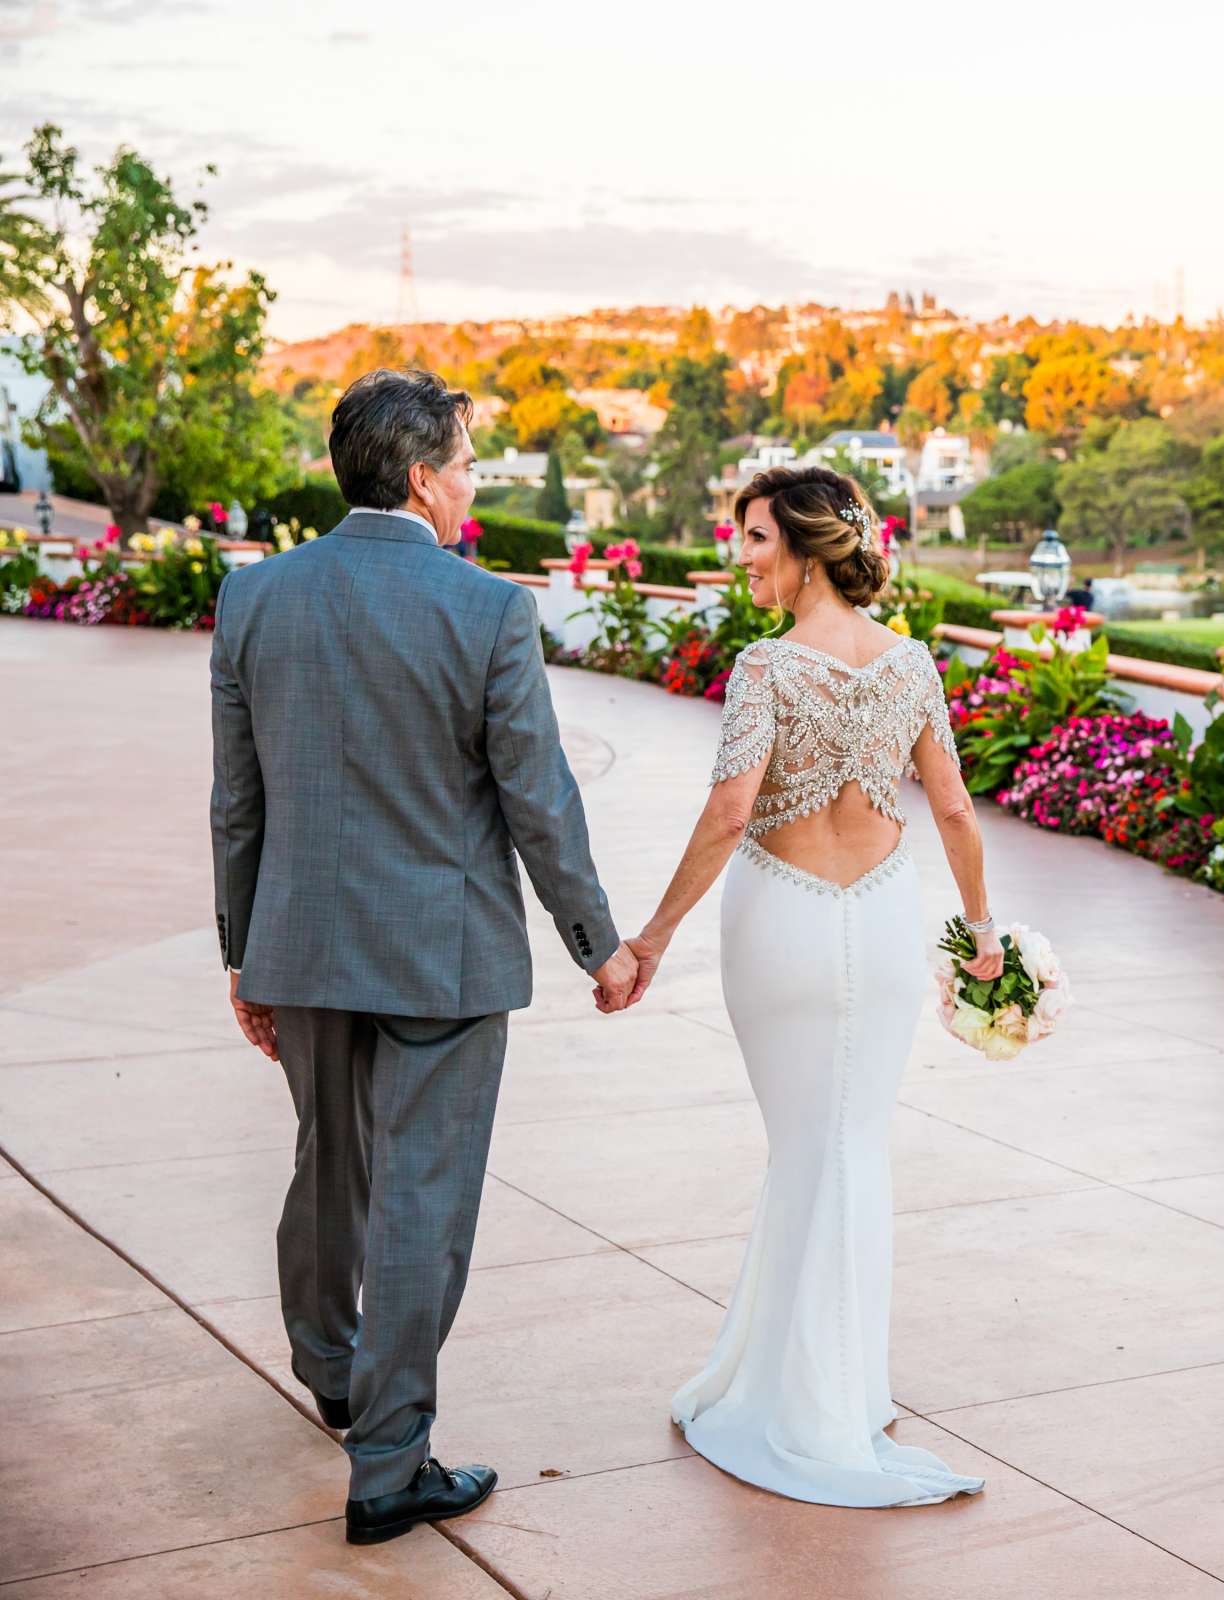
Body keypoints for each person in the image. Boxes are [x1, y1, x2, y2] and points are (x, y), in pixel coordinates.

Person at [208, 368, 641, 1545]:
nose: (470, 487)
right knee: (422, 1198)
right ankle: (389, 1464)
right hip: (442, 960)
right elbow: (538, 799)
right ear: (418, 477)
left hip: (299, 945)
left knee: (328, 1161)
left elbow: (235, 805)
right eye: (463, 464)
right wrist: (597, 942)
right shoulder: (488, 608)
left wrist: (246, 955)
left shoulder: (254, 601)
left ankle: (330, 1366)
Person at [621, 464, 1001, 1506]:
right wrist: (982, 932)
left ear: (801, 546)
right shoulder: (912, 661)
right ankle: (843, 1387)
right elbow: (958, 811)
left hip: (782, 919)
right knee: (855, 1142)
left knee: (805, 1144)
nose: (741, 558)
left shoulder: (765, 666)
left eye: (753, 539)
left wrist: (653, 934)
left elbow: (730, 811)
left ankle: (804, 1399)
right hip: (879, 919)